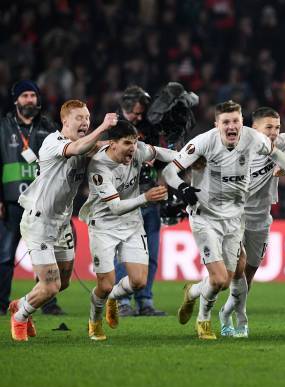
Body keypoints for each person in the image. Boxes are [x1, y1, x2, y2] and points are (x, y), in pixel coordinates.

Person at [162, 100, 285, 340]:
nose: (231, 126)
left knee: (226, 280)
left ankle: (192, 291)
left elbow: (277, 153)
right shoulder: (204, 141)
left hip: (236, 218)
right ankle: (204, 320)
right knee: (219, 278)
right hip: (206, 216)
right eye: (226, 122)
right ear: (217, 124)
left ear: (242, 123)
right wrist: (182, 187)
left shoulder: (253, 139)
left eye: (235, 121)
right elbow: (168, 171)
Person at [8, 100, 117, 341]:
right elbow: (77, 149)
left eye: (87, 118)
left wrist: (123, 145)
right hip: (39, 223)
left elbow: (97, 147)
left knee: (63, 282)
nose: (85, 122)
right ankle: (20, 316)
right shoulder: (52, 142)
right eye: (79, 118)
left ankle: (23, 304)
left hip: (63, 224)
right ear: (65, 121)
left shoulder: (85, 145)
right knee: (50, 286)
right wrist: (103, 127)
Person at [79, 120, 175, 340]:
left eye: (134, 142)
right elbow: (115, 207)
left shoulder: (138, 151)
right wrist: (145, 197)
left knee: (139, 281)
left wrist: (192, 157)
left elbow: (164, 154)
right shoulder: (99, 166)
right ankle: (95, 321)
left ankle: (112, 298)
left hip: (132, 224)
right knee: (104, 285)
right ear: (112, 144)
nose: (132, 148)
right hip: (104, 226)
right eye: (126, 143)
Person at [218, 107, 285, 338]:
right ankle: (241, 320)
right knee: (235, 272)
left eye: (277, 127)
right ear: (253, 128)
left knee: (247, 278)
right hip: (234, 218)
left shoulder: (281, 145)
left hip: (261, 220)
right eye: (268, 127)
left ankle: (225, 312)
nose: (274, 132)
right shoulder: (237, 149)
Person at [0, 80, 56, 315]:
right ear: (16, 100)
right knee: (4, 254)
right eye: (24, 96)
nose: (29, 100)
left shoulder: (48, 127)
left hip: (41, 202)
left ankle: (48, 304)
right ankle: (2, 304)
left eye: (33, 95)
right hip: (12, 201)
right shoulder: (3, 127)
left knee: (47, 253)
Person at [112, 86, 167, 317]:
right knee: (124, 255)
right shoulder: (112, 129)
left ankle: (145, 300)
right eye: (136, 112)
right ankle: (122, 302)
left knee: (152, 254)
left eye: (143, 112)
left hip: (150, 198)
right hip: (125, 200)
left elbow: (162, 160)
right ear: (125, 108)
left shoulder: (150, 128)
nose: (140, 116)